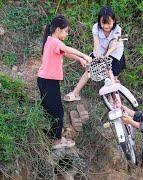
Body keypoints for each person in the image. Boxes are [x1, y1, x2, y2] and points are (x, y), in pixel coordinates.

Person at [37, 15, 92, 149]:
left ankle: (52, 137)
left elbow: (66, 53)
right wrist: (84, 56)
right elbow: (67, 49)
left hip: (45, 81)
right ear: (57, 30)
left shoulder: (51, 41)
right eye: (66, 31)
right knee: (58, 112)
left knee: (50, 110)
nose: (67, 34)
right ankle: (56, 141)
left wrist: (79, 60)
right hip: (49, 82)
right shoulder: (55, 42)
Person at [64, 6, 125, 101]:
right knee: (89, 70)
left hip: (115, 52)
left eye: (109, 23)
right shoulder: (95, 27)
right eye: (103, 23)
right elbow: (96, 43)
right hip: (100, 51)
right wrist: (97, 53)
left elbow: (114, 44)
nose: (106, 26)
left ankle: (112, 100)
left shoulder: (118, 29)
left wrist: (107, 54)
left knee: (113, 75)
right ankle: (75, 93)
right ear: (100, 22)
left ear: (113, 20)